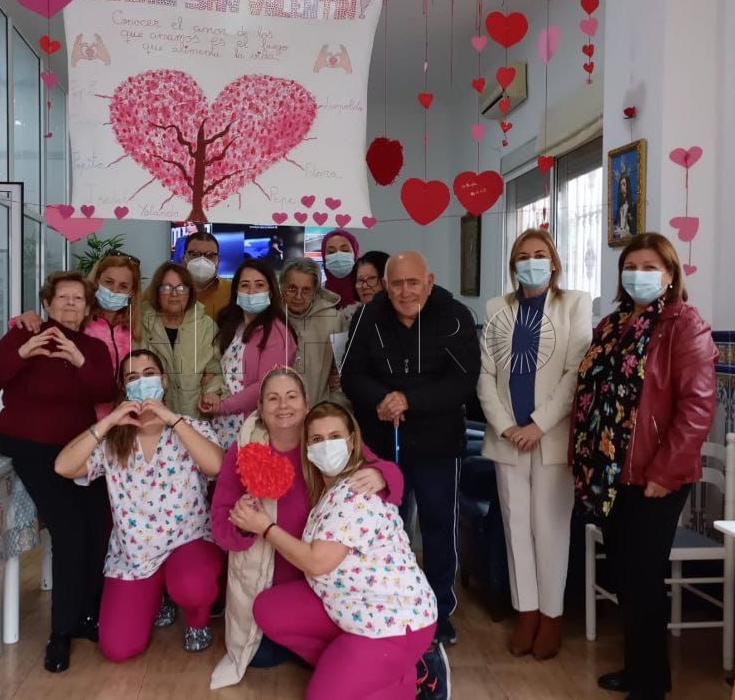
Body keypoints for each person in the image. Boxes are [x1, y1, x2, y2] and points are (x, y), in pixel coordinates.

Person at [571, 232, 717, 700]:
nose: (639, 274)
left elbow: (696, 407)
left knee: (642, 575)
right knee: (624, 573)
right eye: (630, 266)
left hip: (655, 474)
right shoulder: (613, 323)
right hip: (612, 472)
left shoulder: (683, 324)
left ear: (670, 274)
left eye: (650, 266)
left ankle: (652, 682)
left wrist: (665, 472)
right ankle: (637, 669)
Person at [232, 402, 450, 700]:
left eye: (335, 437)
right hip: (348, 603)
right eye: (317, 440)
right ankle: (364, 667)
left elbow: (317, 562)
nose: (326, 446)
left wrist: (265, 528)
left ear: (351, 441)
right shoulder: (321, 483)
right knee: (270, 609)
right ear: (306, 447)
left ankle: (413, 673)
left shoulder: (356, 490)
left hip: (392, 622)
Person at [209, 368, 404, 689]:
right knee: (259, 657)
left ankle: (346, 655)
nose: (282, 406)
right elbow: (220, 524)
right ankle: (323, 648)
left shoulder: (323, 442)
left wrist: (382, 476)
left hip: (323, 579)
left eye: (291, 397)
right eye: (272, 398)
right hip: (265, 584)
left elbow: (385, 471)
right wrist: (243, 522)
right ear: (259, 406)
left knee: (320, 650)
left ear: (306, 402)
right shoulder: (244, 449)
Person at [0, 271, 115, 673]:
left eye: (78, 299)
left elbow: (104, 390)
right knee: (68, 528)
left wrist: (78, 359)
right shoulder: (23, 335)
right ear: (47, 304)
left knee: (97, 524)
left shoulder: (92, 346)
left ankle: (88, 614)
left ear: (88, 308)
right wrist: (21, 354)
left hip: (76, 449)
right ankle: (61, 632)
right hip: (27, 442)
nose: (71, 303)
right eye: (63, 298)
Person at [340, 251, 480, 646]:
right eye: (396, 283)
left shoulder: (455, 316)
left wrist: (408, 399)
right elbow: (352, 374)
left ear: (429, 281)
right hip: (383, 444)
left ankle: (438, 613)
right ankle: (388, 609)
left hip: (438, 444)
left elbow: (463, 381)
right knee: (386, 530)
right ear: (385, 285)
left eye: (412, 282)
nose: (404, 291)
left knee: (438, 529)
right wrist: (384, 398)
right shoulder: (369, 316)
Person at [54, 349, 225, 660]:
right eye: (133, 378)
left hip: (187, 543)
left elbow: (215, 466)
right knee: (118, 648)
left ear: (162, 380)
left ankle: (197, 621)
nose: (142, 382)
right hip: (134, 555)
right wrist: (109, 422)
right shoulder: (114, 440)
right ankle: (159, 596)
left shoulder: (187, 427)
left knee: (192, 586)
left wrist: (171, 418)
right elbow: (64, 466)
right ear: (124, 389)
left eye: (149, 374)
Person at [477, 229, 592, 660]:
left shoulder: (575, 305)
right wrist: (508, 427)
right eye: (523, 256)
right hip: (507, 441)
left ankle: (552, 616)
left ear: (554, 263)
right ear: (513, 265)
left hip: (551, 438)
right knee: (516, 529)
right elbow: (485, 376)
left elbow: (575, 373)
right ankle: (525, 611)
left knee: (550, 529)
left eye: (540, 255)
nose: (531, 261)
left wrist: (538, 425)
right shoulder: (496, 309)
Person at [10, 253, 140, 417]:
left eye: (123, 286)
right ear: (96, 282)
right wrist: (26, 317)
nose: (114, 291)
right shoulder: (78, 320)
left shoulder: (135, 329)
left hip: (123, 418)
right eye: (108, 282)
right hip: (78, 419)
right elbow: (45, 325)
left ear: (132, 292)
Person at [201, 259, 298, 449]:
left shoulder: (278, 333)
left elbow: (266, 385)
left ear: (270, 291)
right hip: (222, 424)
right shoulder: (232, 326)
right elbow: (220, 371)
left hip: (254, 426)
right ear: (236, 291)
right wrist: (212, 392)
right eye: (245, 285)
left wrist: (223, 406)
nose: (252, 292)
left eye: (259, 285)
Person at [139, 261, 225, 418]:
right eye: (166, 287)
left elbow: (217, 373)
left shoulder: (206, 326)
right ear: (156, 292)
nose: (174, 294)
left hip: (196, 418)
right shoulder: (141, 323)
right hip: (151, 418)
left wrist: (212, 393)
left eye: (181, 288)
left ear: (190, 292)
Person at [280, 257, 348, 407]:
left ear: (316, 292)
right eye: (292, 288)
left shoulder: (334, 320)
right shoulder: (271, 318)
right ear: (282, 287)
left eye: (306, 290)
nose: (298, 296)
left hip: (320, 412)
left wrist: (333, 409)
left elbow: (342, 376)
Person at [182, 230, 231, 322]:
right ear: (183, 259)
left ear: (218, 261)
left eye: (210, 255)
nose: (202, 260)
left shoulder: (232, 291)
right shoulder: (167, 290)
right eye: (194, 254)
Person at [340, 250, 388, 327]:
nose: (364, 286)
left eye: (372, 278)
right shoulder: (350, 318)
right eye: (360, 280)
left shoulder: (403, 315)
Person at [321, 228, 360, 309]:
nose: (338, 256)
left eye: (345, 250)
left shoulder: (366, 290)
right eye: (331, 252)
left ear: (355, 254)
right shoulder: (318, 294)